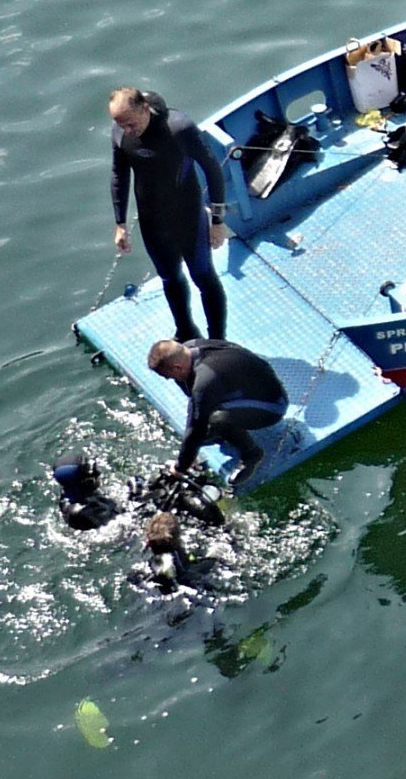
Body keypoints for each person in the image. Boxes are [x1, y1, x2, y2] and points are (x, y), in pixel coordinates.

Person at [109, 85, 228, 341]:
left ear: (144, 108)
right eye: (121, 125)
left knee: (203, 277)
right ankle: (185, 330)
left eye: (130, 123)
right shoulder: (120, 131)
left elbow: (212, 169)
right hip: (152, 220)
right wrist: (120, 223)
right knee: (170, 277)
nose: (127, 130)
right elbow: (119, 175)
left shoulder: (179, 128)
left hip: (187, 216)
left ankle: (218, 340)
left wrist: (217, 221)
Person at [149, 337, 288, 488]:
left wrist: (179, 469)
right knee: (203, 412)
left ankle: (252, 454)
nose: (169, 379)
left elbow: (195, 429)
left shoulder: (204, 381)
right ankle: (221, 431)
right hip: (250, 388)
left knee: (217, 420)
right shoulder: (191, 347)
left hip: (272, 406)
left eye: (168, 376)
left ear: (177, 367)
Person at [50, 450, 121, 532]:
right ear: (88, 482)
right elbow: (124, 523)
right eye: (94, 474)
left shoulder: (71, 494)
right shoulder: (87, 513)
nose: (99, 473)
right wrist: (135, 496)